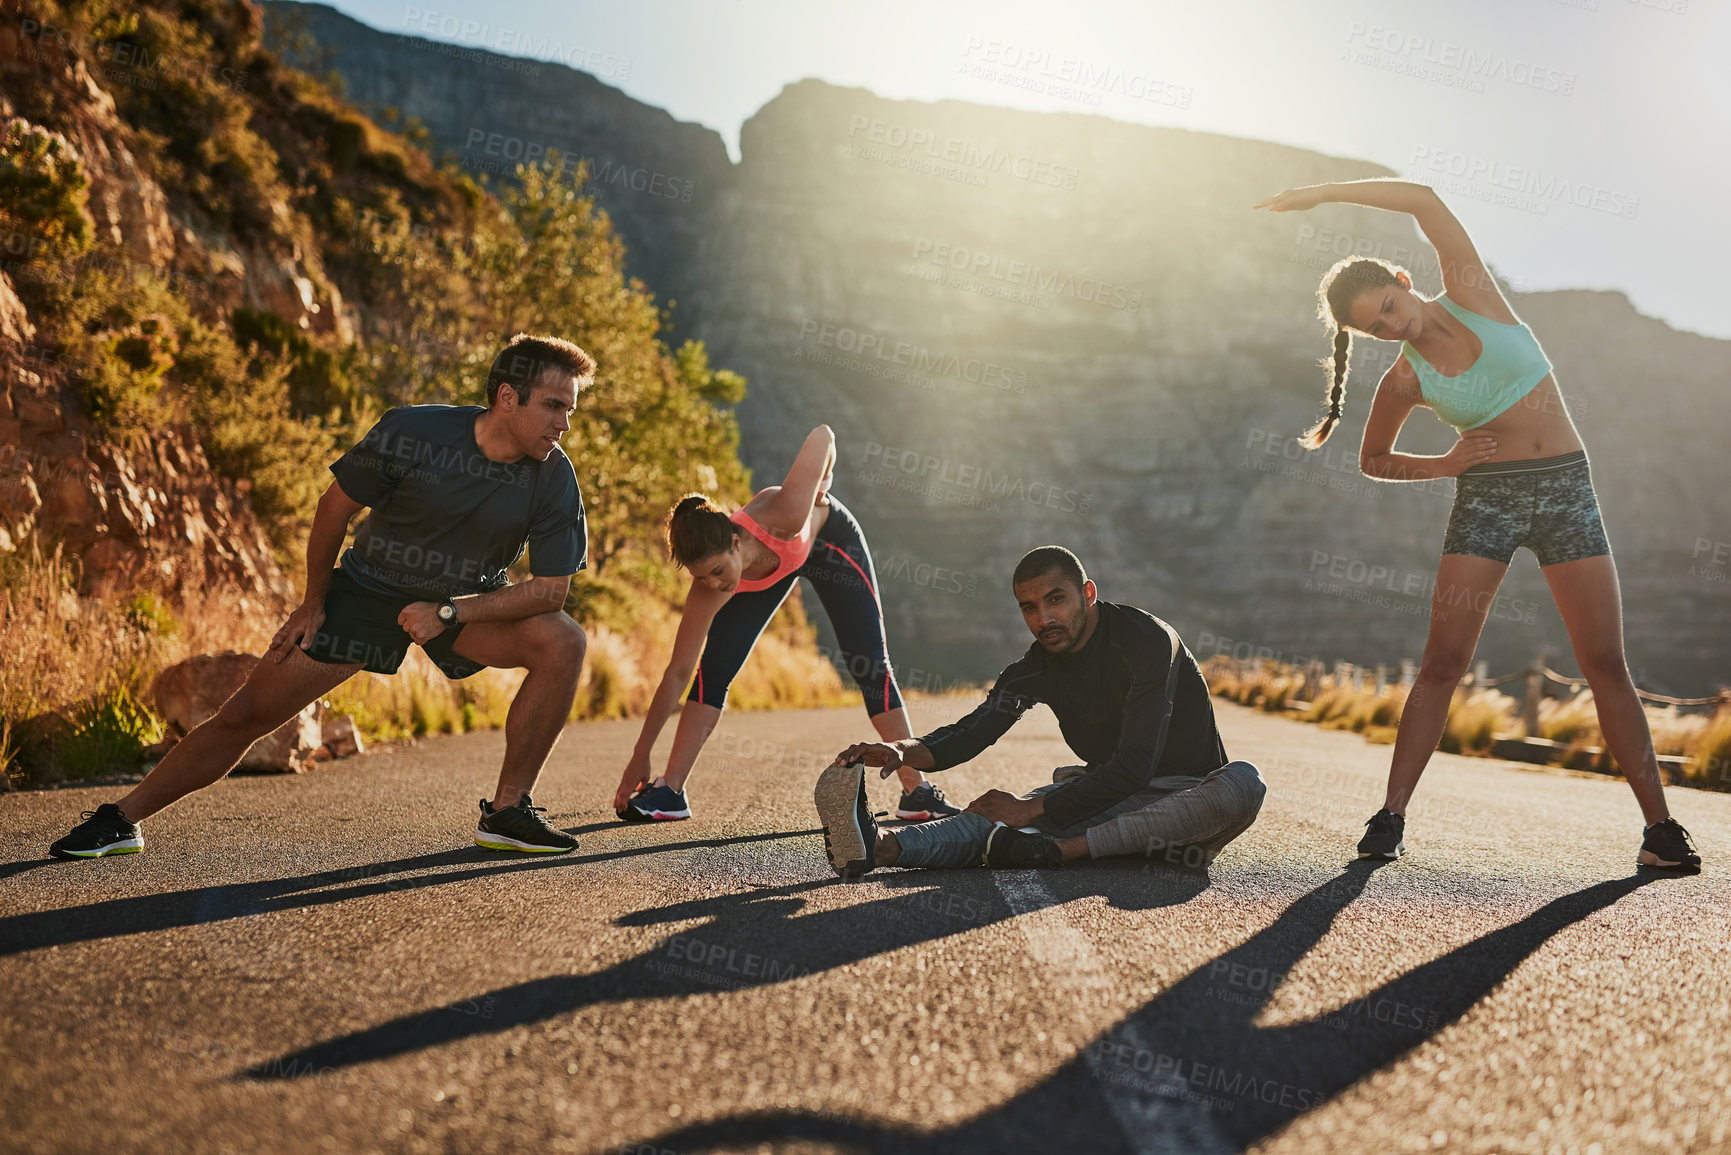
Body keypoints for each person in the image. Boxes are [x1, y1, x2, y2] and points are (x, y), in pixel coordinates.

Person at [1252, 178, 1700, 872]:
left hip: (1564, 489)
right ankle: (1389, 815)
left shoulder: (1475, 295)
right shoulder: (1405, 379)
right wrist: (1445, 463)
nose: (1392, 326)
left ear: (1404, 281)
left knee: (1605, 662)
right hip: (1484, 497)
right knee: (1442, 663)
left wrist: (1324, 193)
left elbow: (1425, 200)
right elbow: (1371, 459)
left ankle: (1660, 831)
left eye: (1390, 307)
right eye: (1375, 327)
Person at [49, 334, 595, 859]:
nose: (562, 424)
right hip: (366, 590)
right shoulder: (415, 431)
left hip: (461, 604)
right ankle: (119, 820)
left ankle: (507, 813)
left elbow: (550, 590)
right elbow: (334, 508)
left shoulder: (553, 477)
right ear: (507, 397)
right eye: (553, 405)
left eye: (569, 410)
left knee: (563, 641)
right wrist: (313, 601)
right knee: (247, 713)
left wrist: (450, 611)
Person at [814, 546, 1266, 879]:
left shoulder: (1147, 641)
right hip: (1108, 800)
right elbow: (970, 733)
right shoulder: (1034, 669)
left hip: (1185, 808)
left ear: (1087, 593)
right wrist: (899, 750)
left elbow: (1136, 765)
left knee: (1244, 782)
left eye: (1056, 599)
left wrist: (1032, 810)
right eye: (1029, 607)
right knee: (997, 814)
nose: (1043, 618)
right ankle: (878, 848)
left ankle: (1064, 851)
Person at [614, 424, 958, 824]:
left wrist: (823, 481)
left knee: (869, 664)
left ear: (736, 542)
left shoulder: (786, 513)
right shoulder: (710, 589)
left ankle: (917, 792)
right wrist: (640, 754)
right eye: (701, 577)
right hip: (770, 570)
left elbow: (824, 434)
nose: (714, 584)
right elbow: (676, 673)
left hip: (828, 542)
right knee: (713, 671)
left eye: (718, 570)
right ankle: (670, 791)